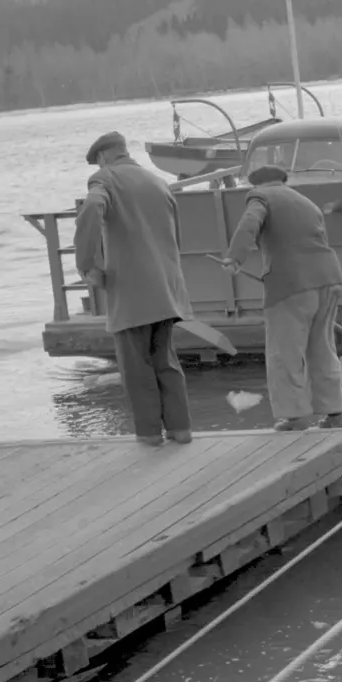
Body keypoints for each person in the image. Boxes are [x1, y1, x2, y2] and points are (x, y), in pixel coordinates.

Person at [73, 131, 194, 448]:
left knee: (136, 367)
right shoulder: (157, 181)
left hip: (131, 291)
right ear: (125, 152)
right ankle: (181, 430)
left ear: (102, 158)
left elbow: (91, 210)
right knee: (166, 361)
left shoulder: (104, 179)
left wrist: (87, 264)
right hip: (167, 289)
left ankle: (150, 436)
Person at [218, 165, 342, 432]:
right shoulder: (306, 202)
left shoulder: (261, 197)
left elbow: (250, 222)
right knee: (322, 349)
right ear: (283, 180)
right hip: (329, 278)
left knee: (284, 352)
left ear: (255, 185)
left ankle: (295, 416)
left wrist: (235, 257)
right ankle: (335, 413)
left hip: (290, 284)